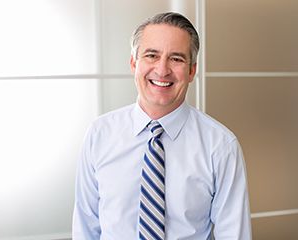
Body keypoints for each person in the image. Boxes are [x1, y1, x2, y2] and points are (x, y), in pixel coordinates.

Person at [73, 12, 252, 240]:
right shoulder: (99, 134)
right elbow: (85, 229)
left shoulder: (221, 145)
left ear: (191, 71)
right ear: (133, 63)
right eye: (151, 55)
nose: (162, 69)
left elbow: (234, 235)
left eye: (176, 58)